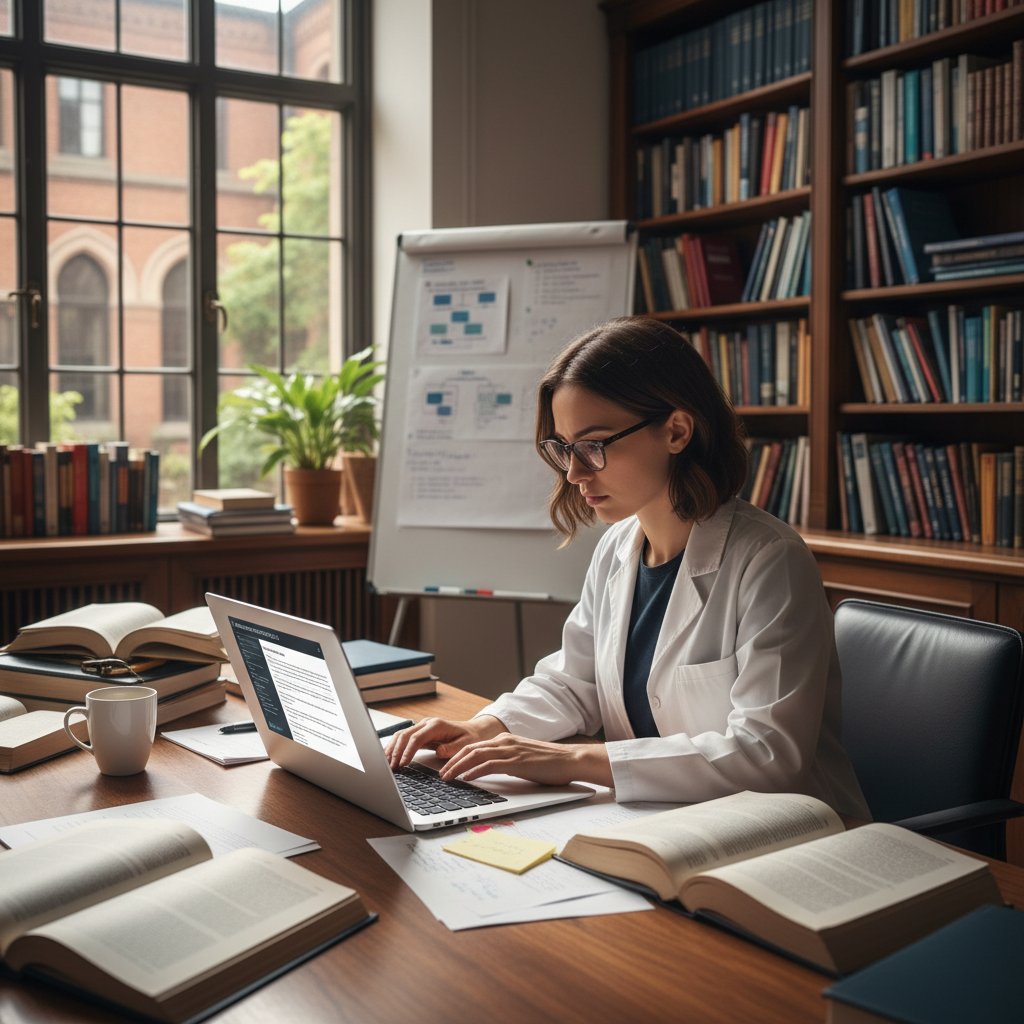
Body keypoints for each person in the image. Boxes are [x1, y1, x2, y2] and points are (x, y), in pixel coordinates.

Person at [388, 316, 868, 817]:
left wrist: (572, 758)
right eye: (564, 448)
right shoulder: (619, 546)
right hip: (660, 821)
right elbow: (577, 682)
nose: (574, 473)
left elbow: (768, 755)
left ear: (677, 431)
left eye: (593, 445)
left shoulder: (770, 560)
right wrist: (487, 727)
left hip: (780, 833)